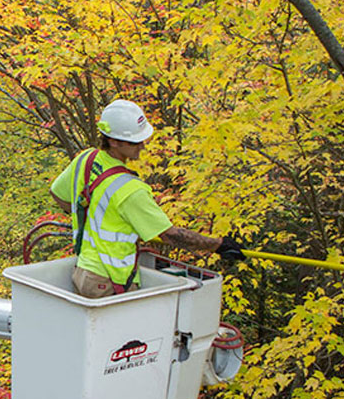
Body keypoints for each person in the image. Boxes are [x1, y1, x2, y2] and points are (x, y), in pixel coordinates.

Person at [50, 99, 245, 298]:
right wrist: (218, 245)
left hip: (84, 270)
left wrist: (91, 219)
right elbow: (172, 236)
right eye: (135, 141)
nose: (142, 146)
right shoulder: (129, 189)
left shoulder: (86, 159)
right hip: (110, 280)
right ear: (113, 141)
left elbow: (59, 194)